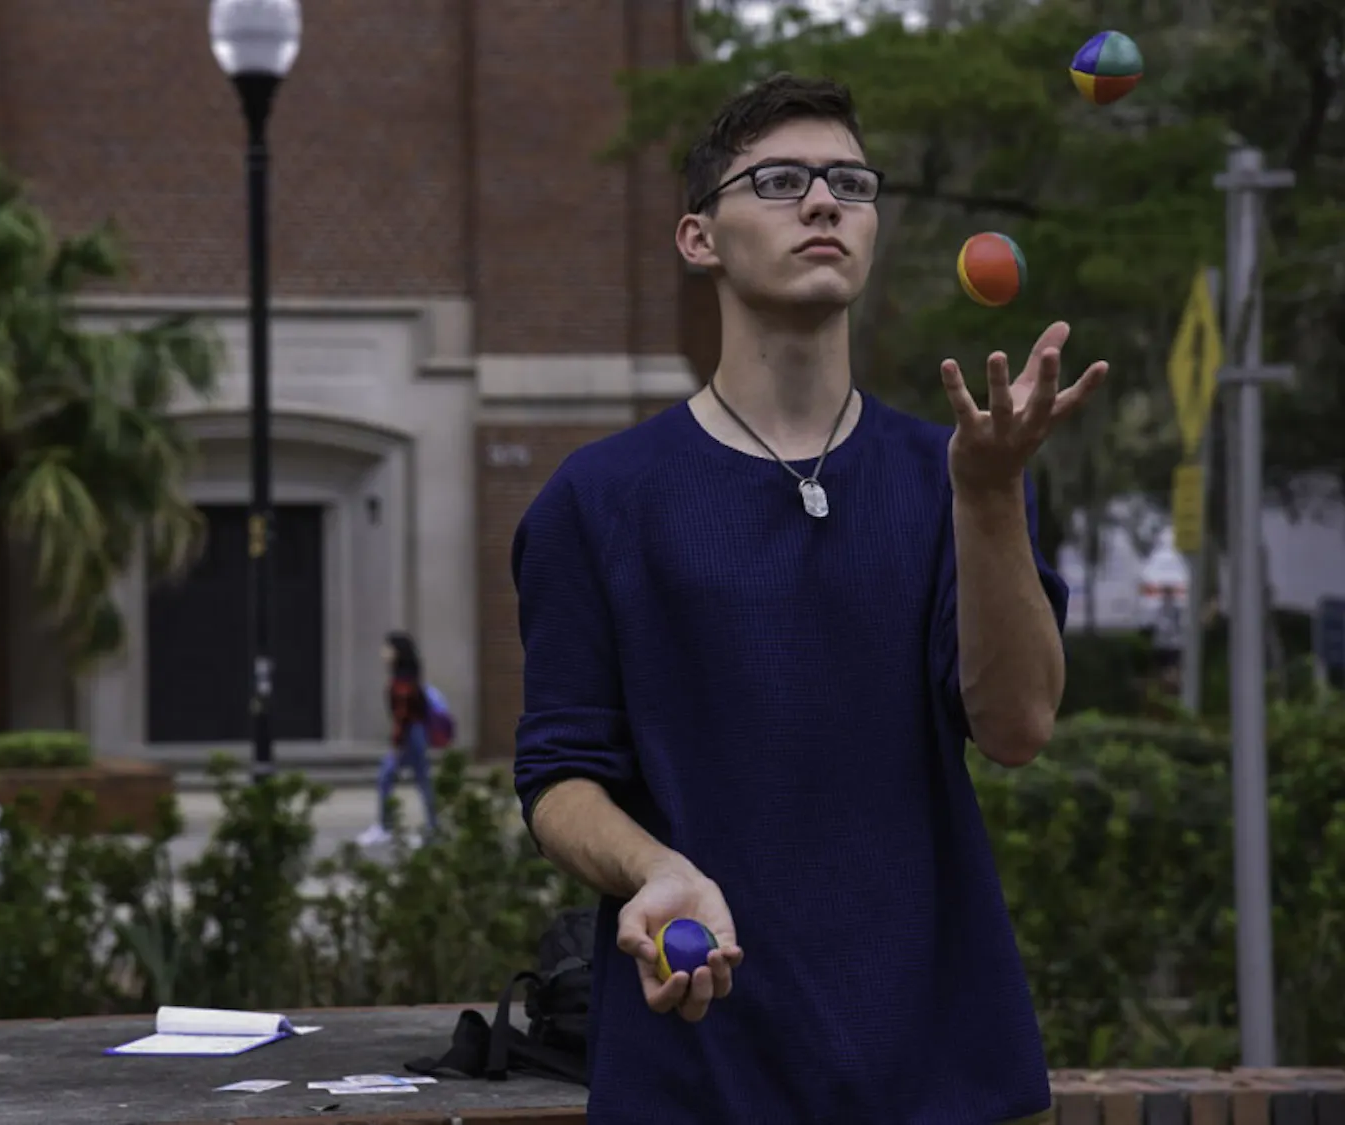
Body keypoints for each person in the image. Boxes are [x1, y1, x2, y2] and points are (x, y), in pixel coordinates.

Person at [510, 74, 1106, 1124]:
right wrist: (655, 871)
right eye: (780, 181)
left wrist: (991, 492)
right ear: (700, 239)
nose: (824, 202)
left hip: (938, 1075)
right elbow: (558, 781)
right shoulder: (597, 500)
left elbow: (1016, 728)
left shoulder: (956, 472)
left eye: (849, 183)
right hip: (699, 1074)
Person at [356, 631, 438, 847]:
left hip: (410, 735)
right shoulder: (408, 676)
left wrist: (396, 745)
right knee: (421, 781)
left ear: (397, 652)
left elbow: (402, 717)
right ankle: (431, 827)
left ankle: (386, 827)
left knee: (388, 778)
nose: (383, 653)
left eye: (387, 648)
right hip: (415, 734)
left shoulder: (402, 682)